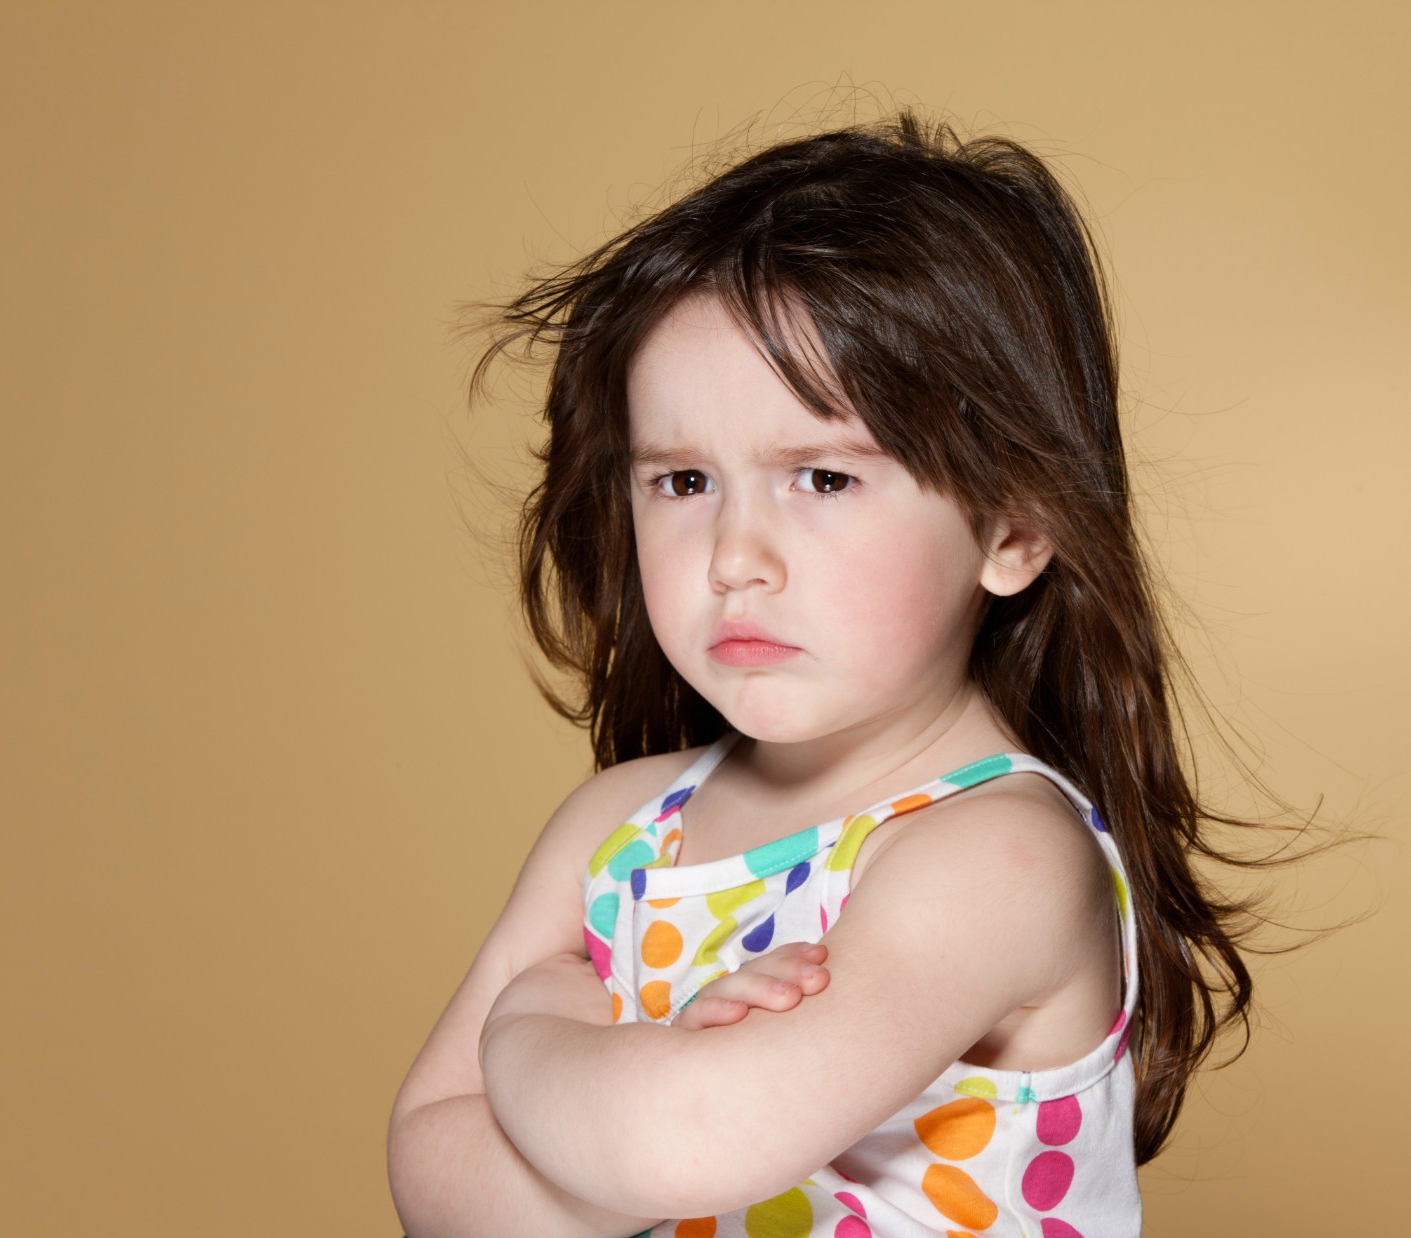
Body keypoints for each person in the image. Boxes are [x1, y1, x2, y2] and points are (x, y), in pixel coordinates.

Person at [389, 110, 1269, 1238]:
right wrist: (613, 1107)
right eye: (683, 481)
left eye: (822, 477)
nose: (734, 558)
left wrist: (532, 1025)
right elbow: (433, 1169)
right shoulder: (619, 826)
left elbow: (685, 1143)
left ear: (1012, 526)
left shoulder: (997, 854)